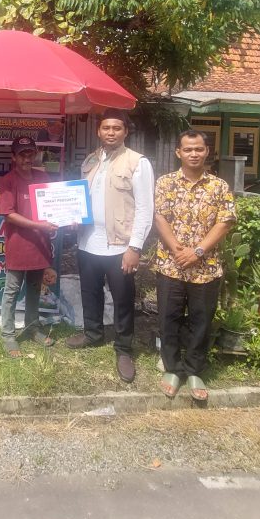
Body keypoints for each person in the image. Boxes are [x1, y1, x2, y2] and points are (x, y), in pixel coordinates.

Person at [66, 110, 154, 384]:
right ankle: (93, 334)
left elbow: (145, 208)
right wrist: (72, 217)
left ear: (125, 131)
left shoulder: (138, 163)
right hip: (88, 242)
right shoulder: (91, 160)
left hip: (120, 246)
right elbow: (81, 197)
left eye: (117, 128)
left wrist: (135, 247)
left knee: (123, 298)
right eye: (106, 128)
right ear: (99, 131)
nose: (111, 132)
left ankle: (124, 348)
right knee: (90, 292)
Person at [153, 129, 236, 403]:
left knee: (201, 320)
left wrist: (198, 251)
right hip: (171, 264)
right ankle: (172, 369)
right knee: (169, 318)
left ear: (206, 151)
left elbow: (225, 222)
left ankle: (194, 370)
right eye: (188, 149)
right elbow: (160, 217)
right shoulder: (165, 183)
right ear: (178, 152)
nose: (193, 154)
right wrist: (179, 251)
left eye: (198, 149)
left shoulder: (219, 186)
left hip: (206, 267)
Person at [0, 136, 59, 358]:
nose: (27, 158)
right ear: (14, 157)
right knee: (12, 291)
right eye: (22, 154)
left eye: (30, 153)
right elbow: (8, 215)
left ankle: (33, 327)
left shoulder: (43, 177)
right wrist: (39, 225)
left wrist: (63, 220)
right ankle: (8, 334)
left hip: (40, 244)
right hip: (18, 244)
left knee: (34, 289)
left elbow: (53, 206)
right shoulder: (7, 181)